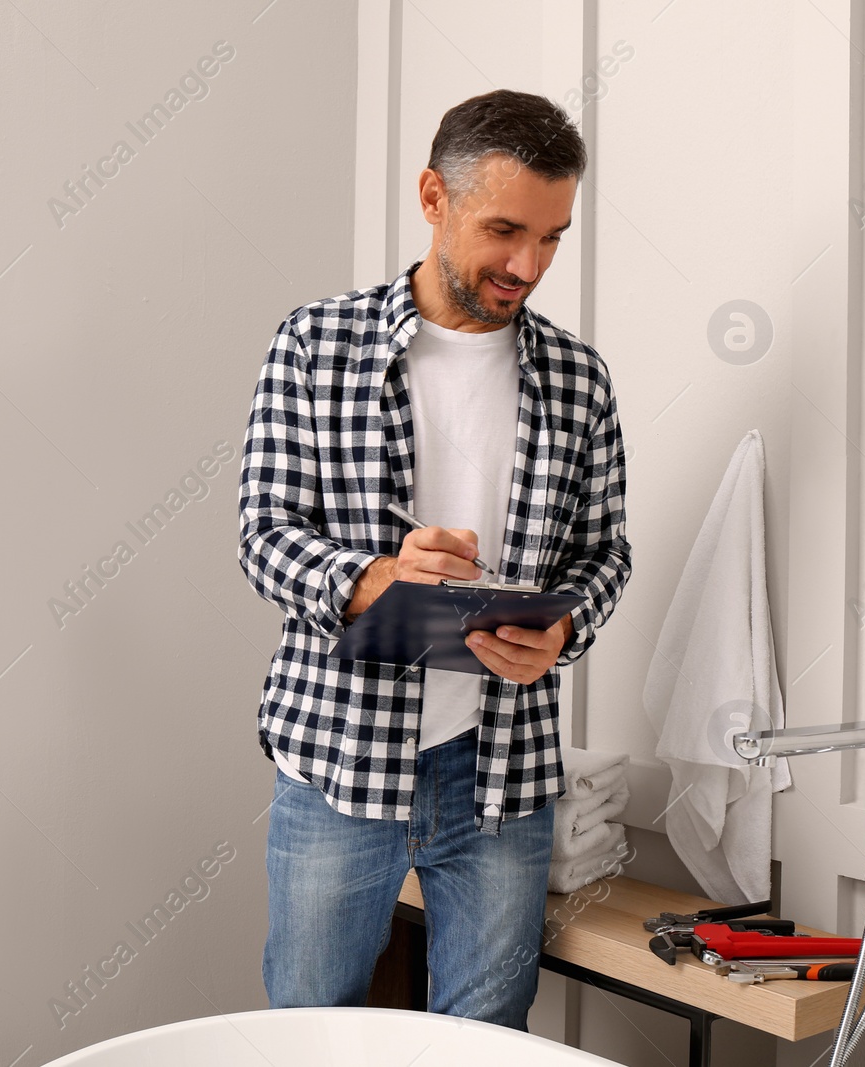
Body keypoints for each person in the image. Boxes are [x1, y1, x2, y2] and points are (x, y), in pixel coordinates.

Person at [238, 88, 632, 1031]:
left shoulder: (578, 378)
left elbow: (606, 550)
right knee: (308, 1035)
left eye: (552, 238)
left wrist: (568, 624)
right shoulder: (314, 343)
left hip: (503, 767)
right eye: (505, 230)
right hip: (339, 755)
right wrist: (375, 576)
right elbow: (264, 532)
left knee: (485, 1042)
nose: (527, 265)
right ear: (432, 196)